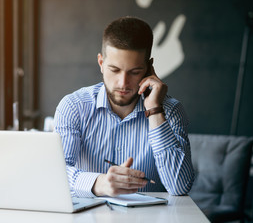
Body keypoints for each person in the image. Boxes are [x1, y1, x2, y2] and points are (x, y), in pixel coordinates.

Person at [54, 16, 194, 198]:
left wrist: (154, 110)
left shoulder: (171, 111)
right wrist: (98, 183)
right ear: (101, 63)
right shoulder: (73, 107)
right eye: (114, 70)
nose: (123, 83)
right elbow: (56, 175)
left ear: (149, 68)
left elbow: (180, 187)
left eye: (135, 72)